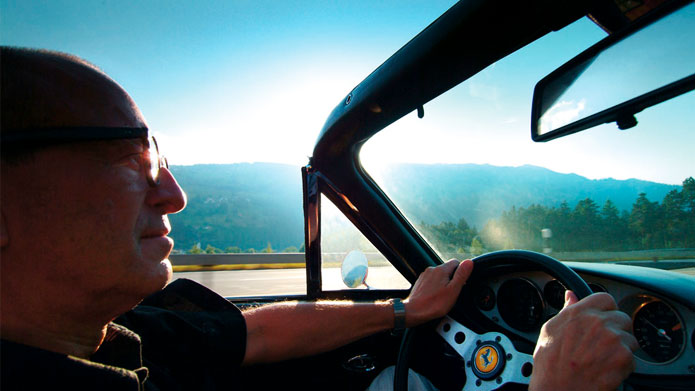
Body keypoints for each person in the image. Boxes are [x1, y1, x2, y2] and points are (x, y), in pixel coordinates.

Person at [0, 47, 638, 390]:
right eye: (129, 159)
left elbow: (257, 334)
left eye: (161, 159)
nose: (174, 195)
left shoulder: (119, 334)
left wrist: (400, 314)